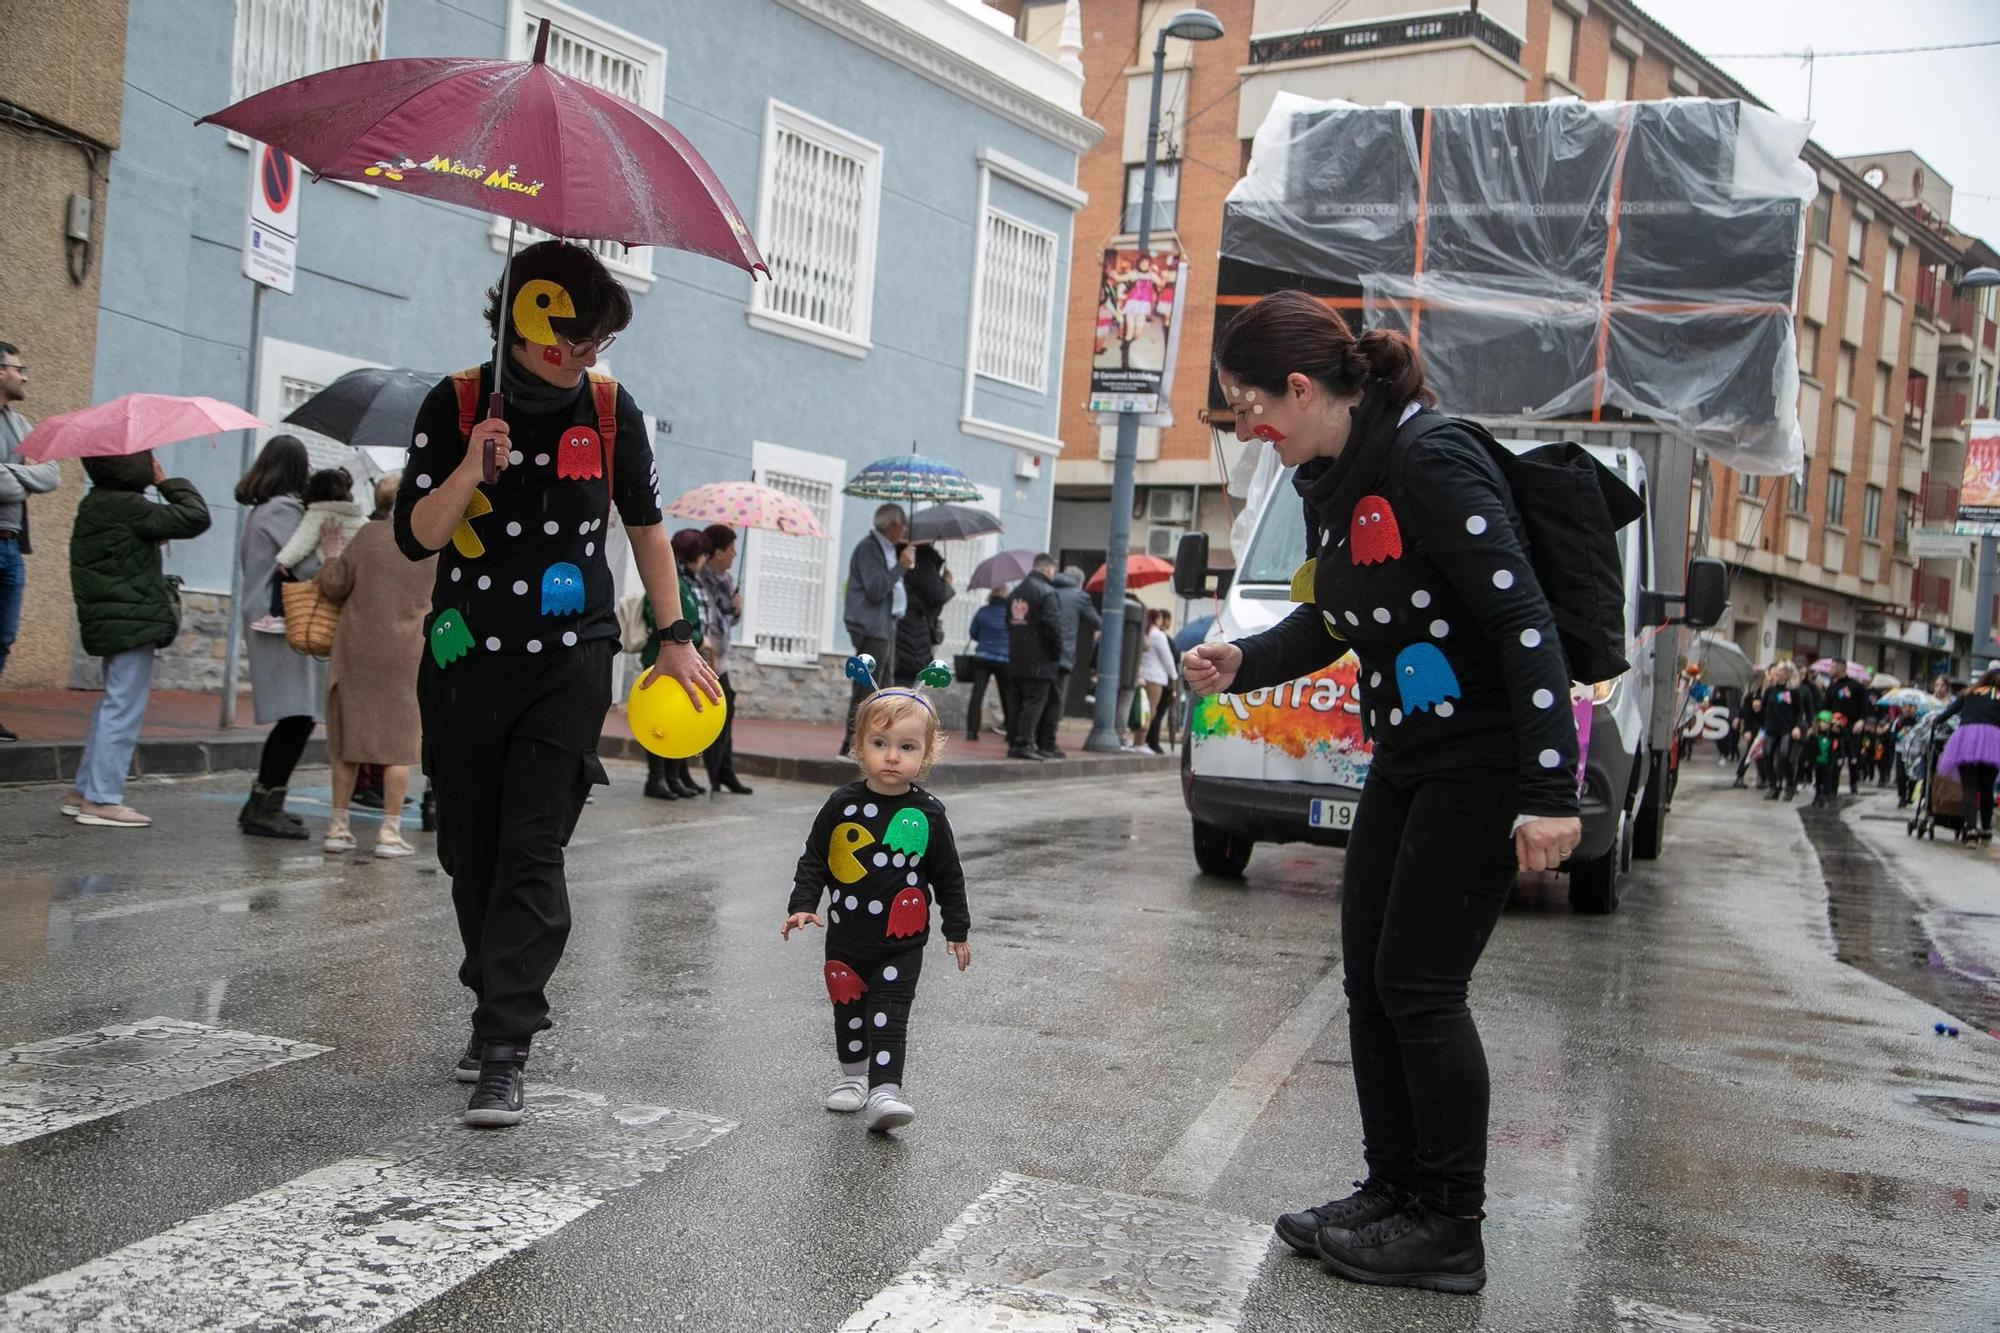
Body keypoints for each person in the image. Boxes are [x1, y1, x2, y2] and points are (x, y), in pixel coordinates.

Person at [1181, 290, 1580, 1295]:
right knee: (1368, 978)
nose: (1248, 429)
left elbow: (1523, 623)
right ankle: (1392, 1191)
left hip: (1481, 758)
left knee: (1419, 986)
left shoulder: (1427, 461)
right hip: (1406, 754)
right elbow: (1342, 616)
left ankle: (1447, 1224)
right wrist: (1245, 660)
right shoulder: (1330, 474)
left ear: (1301, 388)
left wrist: (1547, 787)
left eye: (1248, 408)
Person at [393, 239, 718, 1127]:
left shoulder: (612, 413)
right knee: (470, 846)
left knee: (533, 845)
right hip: (464, 658)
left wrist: (674, 636)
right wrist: (470, 466)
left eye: (597, 346)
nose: (582, 360)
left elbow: (648, 530)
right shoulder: (456, 403)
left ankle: (507, 1044)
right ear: (525, 324)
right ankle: (490, 985)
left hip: (572, 656)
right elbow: (416, 536)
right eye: (571, 342)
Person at [782, 679, 970, 1133]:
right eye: (880, 743)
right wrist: (803, 904)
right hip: (846, 939)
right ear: (858, 746)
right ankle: (854, 1080)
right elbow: (816, 859)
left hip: (901, 942)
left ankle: (886, 1090)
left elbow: (948, 875)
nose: (891, 756)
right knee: (848, 1007)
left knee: (889, 1012)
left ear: (924, 755)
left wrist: (956, 930)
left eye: (906, 747)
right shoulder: (841, 805)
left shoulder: (929, 814)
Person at [63, 451, 210, 826]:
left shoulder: (94, 504)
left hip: (111, 619)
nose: (152, 462)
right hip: (132, 620)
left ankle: (83, 792)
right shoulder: (131, 506)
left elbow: (118, 555)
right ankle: (102, 799)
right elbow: (196, 517)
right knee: (123, 707)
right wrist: (166, 482)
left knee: (112, 704)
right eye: (147, 458)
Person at [315, 473, 432, 859]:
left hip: (357, 650)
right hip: (408, 655)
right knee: (399, 747)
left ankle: (337, 827)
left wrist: (331, 553)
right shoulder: (433, 545)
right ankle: (389, 832)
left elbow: (333, 586)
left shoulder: (366, 537)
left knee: (349, 742)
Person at [234, 435, 323, 839]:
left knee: (297, 715)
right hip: (282, 621)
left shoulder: (263, 510)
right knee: (297, 716)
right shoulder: (283, 510)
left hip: (271, 618)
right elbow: (306, 566)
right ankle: (262, 805)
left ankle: (267, 801)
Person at [0, 342, 58, 742]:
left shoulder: (20, 424)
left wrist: (10, 474)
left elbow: (52, 474)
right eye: (20, 369)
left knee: (3, 635)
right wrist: (21, 473)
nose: (25, 376)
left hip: (10, 545)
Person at [639, 528, 711, 800]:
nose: (704, 559)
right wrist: (695, 638)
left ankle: (672, 776)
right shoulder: (673, 582)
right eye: (702, 553)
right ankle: (655, 778)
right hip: (662, 661)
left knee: (681, 719)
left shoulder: (687, 582)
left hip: (685, 662)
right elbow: (656, 617)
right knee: (661, 722)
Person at [253, 467, 368, 633]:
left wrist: (285, 560)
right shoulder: (358, 516)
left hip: (326, 567)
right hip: (351, 572)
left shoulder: (318, 513)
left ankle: (278, 616)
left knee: (282, 577)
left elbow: (302, 540)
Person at [840, 503, 912, 756]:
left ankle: (875, 742)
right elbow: (876, 588)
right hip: (871, 626)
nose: (905, 529)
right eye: (903, 524)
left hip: (885, 624)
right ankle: (852, 744)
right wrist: (901, 566)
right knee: (868, 686)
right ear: (892, 524)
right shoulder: (870, 548)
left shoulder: (887, 548)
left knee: (886, 686)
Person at [697, 522, 751, 796]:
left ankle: (723, 772)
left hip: (723, 657)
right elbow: (706, 619)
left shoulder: (727, 580)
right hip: (705, 656)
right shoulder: (702, 578)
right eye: (731, 549)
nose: (734, 555)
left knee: (727, 712)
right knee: (714, 715)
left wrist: (736, 608)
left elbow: (728, 619)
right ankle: (712, 772)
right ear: (718, 552)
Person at [1004, 553, 1063, 761]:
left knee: (1017, 702)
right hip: (1040, 660)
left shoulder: (1015, 593)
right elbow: (1053, 627)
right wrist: (1057, 653)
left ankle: (1014, 742)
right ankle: (1024, 742)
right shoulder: (1047, 593)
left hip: (1017, 656)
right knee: (1034, 702)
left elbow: (1008, 625)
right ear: (1048, 570)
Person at [1936, 665, 2000, 843]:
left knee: (1969, 787)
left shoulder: (1970, 691)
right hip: (1993, 742)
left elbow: (1949, 712)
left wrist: (1936, 722)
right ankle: (1986, 829)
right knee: (1987, 788)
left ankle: (1971, 828)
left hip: (1966, 740)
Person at [1045, 564, 1101, 759]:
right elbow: (1097, 621)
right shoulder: (1079, 596)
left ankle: (1034, 739)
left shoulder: (1048, 588)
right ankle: (1048, 742)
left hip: (1042, 655)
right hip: (1063, 655)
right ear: (1080, 582)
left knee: (1040, 699)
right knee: (1056, 701)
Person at [964, 583, 1012, 743]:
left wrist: (986, 640)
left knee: (977, 695)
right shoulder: (1010, 613)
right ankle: (1010, 731)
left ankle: (972, 731)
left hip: (982, 657)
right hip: (1004, 659)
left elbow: (973, 633)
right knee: (1007, 695)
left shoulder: (982, 611)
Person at [1757, 662, 1804, 802]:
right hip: (1771, 729)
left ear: (1787, 674)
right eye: (1775, 672)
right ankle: (1774, 787)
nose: (1776, 674)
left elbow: (1799, 711)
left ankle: (1789, 786)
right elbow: (1763, 710)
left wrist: (1797, 726)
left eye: (1779, 672)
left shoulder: (1793, 692)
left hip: (1786, 730)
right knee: (1767, 756)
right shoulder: (1770, 691)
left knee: (1784, 758)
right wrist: (1757, 709)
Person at [1136, 607, 1177, 754]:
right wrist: (1174, 677)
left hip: (1144, 676)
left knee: (1142, 710)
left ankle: (1138, 741)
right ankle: (1140, 743)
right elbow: (1168, 659)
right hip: (1156, 678)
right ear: (1157, 619)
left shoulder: (1145, 632)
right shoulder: (1158, 635)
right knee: (1150, 712)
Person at [1807, 710, 1842, 808]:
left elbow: (1842, 737)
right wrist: (1808, 760)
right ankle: (1817, 795)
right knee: (1818, 779)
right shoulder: (1814, 735)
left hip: (1828, 761)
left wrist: (1838, 726)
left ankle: (1825, 796)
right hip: (1818, 760)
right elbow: (1809, 748)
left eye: (1827, 723)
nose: (1825, 725)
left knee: (1827, 779)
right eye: (1823, 722)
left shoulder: (1832, 734)